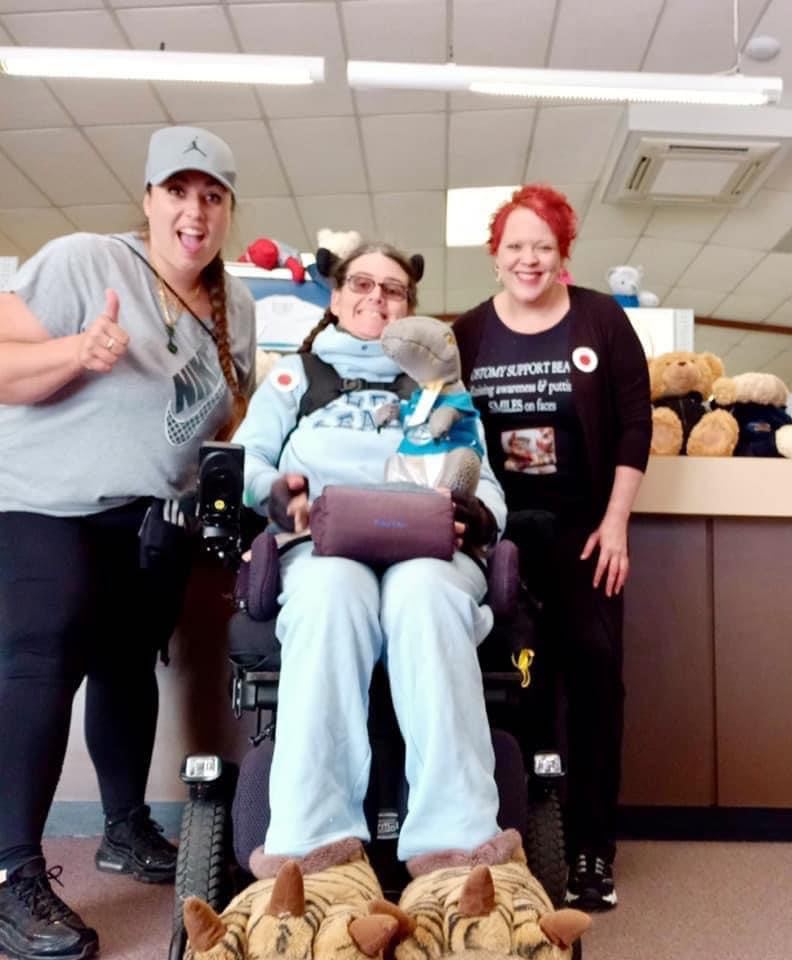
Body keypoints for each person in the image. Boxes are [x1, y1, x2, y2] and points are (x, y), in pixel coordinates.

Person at [0, 126, 256, 960]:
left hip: (150, 519)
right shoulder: (85, 261)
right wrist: (77, 350)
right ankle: (9, 875)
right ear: (148, 198)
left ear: (228, 209)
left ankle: (122, 829)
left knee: (125, 664)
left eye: (211, 195)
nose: (194, 211)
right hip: (46, 504)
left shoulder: (237, 304)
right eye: (176, 191)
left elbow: (228, 420)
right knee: (43, 656)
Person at [231, 242, 519, 883]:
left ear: (409, 307)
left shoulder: (443, 388)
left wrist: (477, 513)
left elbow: (487, 485)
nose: (376, 298)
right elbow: (248, 459)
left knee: (424, 596)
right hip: (322, 545)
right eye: (361, 284)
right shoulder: (296, 377)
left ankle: (457, 846)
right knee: (331, 596)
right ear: (335, 297)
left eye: (392, 289)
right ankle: (312, 849)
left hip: (430, 547)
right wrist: (271, 491)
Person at [454, 184, 652, 912]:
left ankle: (593, 848)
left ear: (563, 253)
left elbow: (635, 422)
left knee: (594, 678)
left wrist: (617, 521)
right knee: (512, 685)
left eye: (543, 246)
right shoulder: (467, 333)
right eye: (515, 246)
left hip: (585, 534)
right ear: (495, 254)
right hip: (496, 538)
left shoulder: (601, 319)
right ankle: (512, 842)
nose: (528, 259)